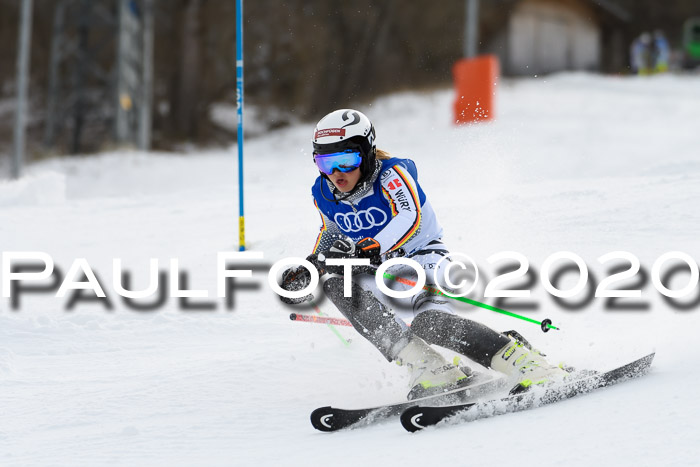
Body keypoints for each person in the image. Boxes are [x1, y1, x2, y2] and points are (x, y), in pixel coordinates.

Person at [280, 109, 567, 400]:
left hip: (424, 259)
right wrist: (311, 267)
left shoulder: (391, 174)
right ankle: (431, 368)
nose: (337, 173)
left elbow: (410, 215)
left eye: (346, 160)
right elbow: (330, 231)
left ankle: (528, 364)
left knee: (431, 325)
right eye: (326, 163)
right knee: (336, 284)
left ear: (366, 154)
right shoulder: (323, 192)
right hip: (379, 272)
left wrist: (371, 246)